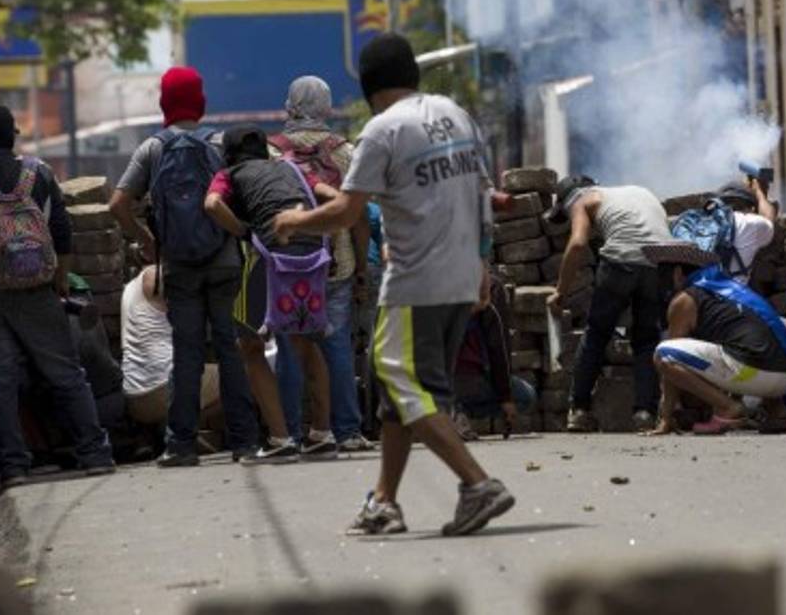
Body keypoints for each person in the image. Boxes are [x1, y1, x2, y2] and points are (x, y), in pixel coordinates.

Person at [274, 32, 514, 537]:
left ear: (368, 85)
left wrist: (295, 221)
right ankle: (385, 501)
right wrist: (483, 265)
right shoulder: (457, 115)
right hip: (461, 277)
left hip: (414, 283)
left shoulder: (382, 131)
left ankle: (477, 484)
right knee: (398, 395)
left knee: (402, 384)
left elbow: (347, 210)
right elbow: (483, 195)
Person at [0, 105, 114, 487]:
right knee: (67, 374)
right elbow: (61, 230)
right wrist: (61, 280)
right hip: (40, 291)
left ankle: (14, 466)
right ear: (13, 136)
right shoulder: (39, 174)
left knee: (2, 378)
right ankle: (95, 454)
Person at [109, 66, 262, 466]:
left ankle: (180, 444)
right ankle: (245, 442)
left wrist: (145, 239)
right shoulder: (219, 144)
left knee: (186, 350)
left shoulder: (152, 149)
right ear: (200, 99)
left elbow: (117, 204)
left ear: (164, 101)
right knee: (228, 348)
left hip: (178, 266)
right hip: (225, 260)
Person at [205, 124, 338, 460]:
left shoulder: (229, 174)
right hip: (313, 252)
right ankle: (322, 433)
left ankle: (280, 439)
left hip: (271, 255)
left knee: (248, 344)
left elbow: (211, 204)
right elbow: (333, 197)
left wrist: (243, 231)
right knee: (305, 339)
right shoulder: (291, 168)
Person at [268, 76, 374, 453]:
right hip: (336, 264)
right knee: (337, 348)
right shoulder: (344, 153)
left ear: (290, 104)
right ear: (326, 107)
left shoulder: (270, 152)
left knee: (290, 347)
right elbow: (358, 217)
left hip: (285, 268)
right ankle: (345, 431)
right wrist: (361, 266)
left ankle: (289, 433)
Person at [546, 176, 671, 433]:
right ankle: (645, 413)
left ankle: (579, 411)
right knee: (647, 339)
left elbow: (579, 243)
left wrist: (561, 292)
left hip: (621, 261)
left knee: (597, 333)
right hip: (660, 262)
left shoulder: (582, 200)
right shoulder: (636, 190)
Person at [644, 243, 786, 435]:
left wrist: (666, 417)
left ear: (677, 273)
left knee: (664, 353)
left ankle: (728, 408)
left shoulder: (684, 300)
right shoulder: (734, 291)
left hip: (755, 373)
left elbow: (670, 365)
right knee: (748, 343)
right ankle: (776, 410)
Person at [120, 266, 223, 435]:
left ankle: (191, 431)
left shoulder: (131, 286)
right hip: (163, 390)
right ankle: (182, 432)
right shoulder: (157, 278)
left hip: (134, 396)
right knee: (243, 376)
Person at [453, 276, 537, 440]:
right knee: (526, 396)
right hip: (467, 376)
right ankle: (455, 410)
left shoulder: (427, 281)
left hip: (429, 381)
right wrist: (506, 396)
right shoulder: (488, 287)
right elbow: (498, 347)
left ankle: (448, 410)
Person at [712, 179, 777, 282]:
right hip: (731, 292)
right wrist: (759, 192)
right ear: (751, 208)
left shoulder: (707, 219)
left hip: (700, 287)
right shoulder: (751, 223)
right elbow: (768, 217)